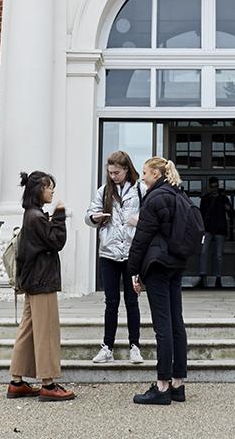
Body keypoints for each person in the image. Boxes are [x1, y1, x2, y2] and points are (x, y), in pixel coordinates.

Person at [127, 156, 191, 405]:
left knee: (162, 325)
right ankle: (178, 384)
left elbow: (142, 239)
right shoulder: (179, 194)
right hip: (176, 264)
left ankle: (162, 386)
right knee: (177, 322)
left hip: (157, 265)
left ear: (156, 173)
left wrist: (135, 272)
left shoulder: (155, 197)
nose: (142, 177)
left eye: (144, 172)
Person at [7, 171, 73, 402]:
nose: (52, 191)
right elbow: (57, 241)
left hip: (33, 279)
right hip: (42, 280)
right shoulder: (36, 217)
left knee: (28, 330)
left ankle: (17, 381)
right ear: (37, 190)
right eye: (48, 187)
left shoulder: (31, 215)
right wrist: (60, 215)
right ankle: (48, 383)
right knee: (46, 332)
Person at [86, 152, 145, 364]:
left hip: (132, 253)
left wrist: (139, 220)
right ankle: (107, 346)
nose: (113, 176)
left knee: (132, 301)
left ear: (126, 169)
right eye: (110, 172)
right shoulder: (103, 191)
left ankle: (134, 346)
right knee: (111, 302)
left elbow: (150, 216)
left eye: (117, 172)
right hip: (109, 253)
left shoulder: (140, 189)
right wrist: (95, 218)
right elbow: (89, 215)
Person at [199, 177, 234, 289]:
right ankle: (203, 276)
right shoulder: (206, 199)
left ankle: (218, 278)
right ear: (210, 187)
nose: (214, 189)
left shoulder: (223, 199)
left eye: (216, 187)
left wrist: (228, 209)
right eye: (213, 187)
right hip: (208, 229)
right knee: (204, 252)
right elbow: (201, 214)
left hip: (219, 229)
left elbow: (232, 214)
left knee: (218, 255)